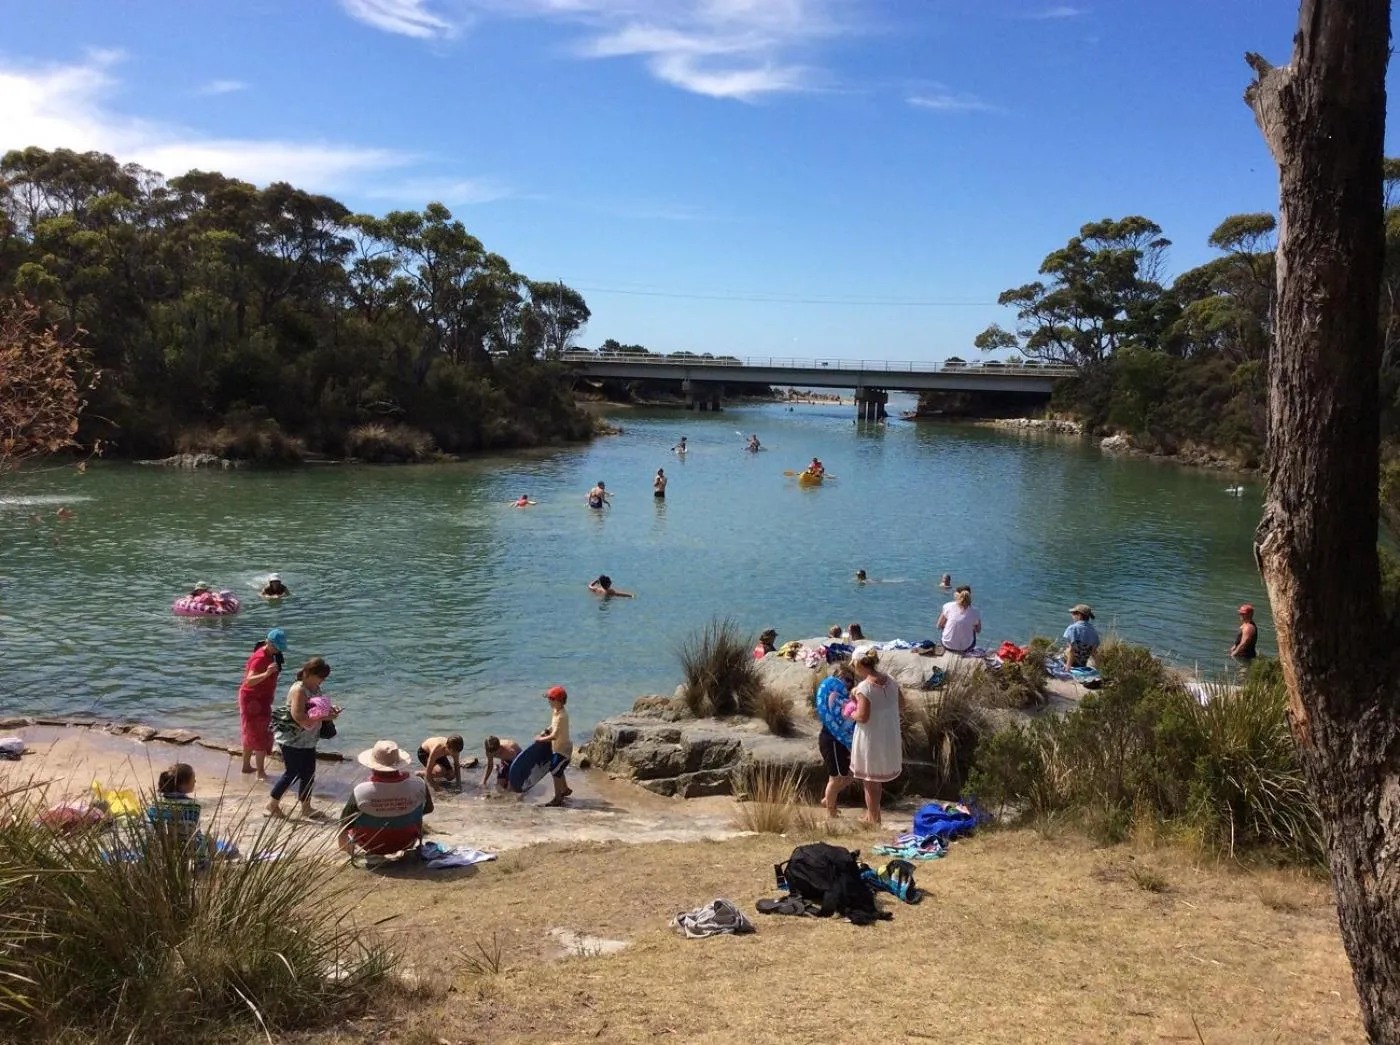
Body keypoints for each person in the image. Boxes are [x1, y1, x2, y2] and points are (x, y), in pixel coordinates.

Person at [267, 657, 337, 820]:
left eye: (323, 679)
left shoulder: (315, 688)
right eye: (319, 677)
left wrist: (331, 711)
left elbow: (317, 708)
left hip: (309, 739)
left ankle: (306, 807)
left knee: (309, 773)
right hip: (292, 739)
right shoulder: (299, 689)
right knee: (292, 773)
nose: (321, 681)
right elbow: (298, 716)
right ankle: (272, 805)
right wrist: (324, 718)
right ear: (307, 674)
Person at [338, 740, 434, 857]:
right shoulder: (419, 784)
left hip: (370, 844)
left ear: (372, 764)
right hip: (406, 841)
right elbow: (428, 809)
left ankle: (347, 852)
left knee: (348, 824)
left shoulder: (361, 791)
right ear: (399, 764)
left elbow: (345, 822)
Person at [849, 649, 903, 826]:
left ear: (859, 664)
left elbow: (863, 716)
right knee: (875, 779)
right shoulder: (891, 681)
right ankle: (872, 813)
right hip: (888, 735)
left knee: (870, 782)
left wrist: (851, 712)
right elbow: (901, 704)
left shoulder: (864, 688)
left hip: (871, 738)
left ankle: (874, 819)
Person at [239, 627, 287, 778]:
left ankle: (246, 766)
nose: (278, 651)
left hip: (258, 699)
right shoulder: (260, 658)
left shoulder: (271, 655)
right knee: (261, 734)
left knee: (250, 732)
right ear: (269, 643)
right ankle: (260, 772)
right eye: (277, 648)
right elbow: (249, 680)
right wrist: (267, 673)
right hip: (253, 700)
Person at [816, 663, 857, 818]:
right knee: (836, 778)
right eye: (845, 679)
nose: (848, 684)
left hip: (840, 741)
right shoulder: (830, 695)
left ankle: (828, 799)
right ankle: (831, 813)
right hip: (830, 740)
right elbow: (830, 714)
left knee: (851, 775)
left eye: (851, 681)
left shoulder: (846, 699)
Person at [147, 762, 209, 861]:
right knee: (207, 840)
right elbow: (193, 831)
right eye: (193, 779)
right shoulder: (193, 806)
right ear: (183, 784)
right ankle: (202, 868)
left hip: (155, 849)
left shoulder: (153, 802)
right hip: (183, 849)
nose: (195, 781)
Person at [537, 686, 573, 807]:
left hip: (564, 750)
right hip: (558, 748)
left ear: (557, 701)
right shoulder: (556, 712)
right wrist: (546, 730)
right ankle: (565, 789)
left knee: (554, 769)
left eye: (550, 699)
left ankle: (558, 798)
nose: (549, 702)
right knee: (558, 768)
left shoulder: (562, 716)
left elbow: (554, 736)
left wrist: (540, 739)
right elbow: (553, 727)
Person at [938, 585, 982, 654]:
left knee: (948, 623)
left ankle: (949, 639)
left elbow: (939, 625)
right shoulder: (975, 611)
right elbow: (978, 630)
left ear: (957, 595)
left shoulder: (947, 606)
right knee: (972, 627)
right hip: (965, 648)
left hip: (947, 645)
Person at [1063, 604, 1101, 669]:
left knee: (1065, 649)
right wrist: (1100, 668)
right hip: (1083, 662)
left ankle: (1069, 665)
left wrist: (1068, 667)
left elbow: (1072, 650)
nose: (1072, 616)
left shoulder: (1072, 628)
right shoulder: (1093, 631)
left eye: (1073, 614)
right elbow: (1094, 652)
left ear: (1079, 615)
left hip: (1073, 661)